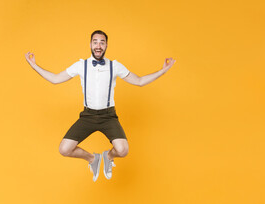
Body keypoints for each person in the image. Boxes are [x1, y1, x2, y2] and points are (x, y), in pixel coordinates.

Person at [25, 30, 175, 182]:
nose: (98, 45)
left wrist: (163, 71)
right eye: (95, 42)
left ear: (106, 46)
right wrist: (34, 66)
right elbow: (56, 79)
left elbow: (139, 81)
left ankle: (108, 157)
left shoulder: (114, 66)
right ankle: (92, 159)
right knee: (64, 149)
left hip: (108, 116)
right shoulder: (81, 65)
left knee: (123, 150)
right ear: (90, 44)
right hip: (88, 116)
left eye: (102, 42)